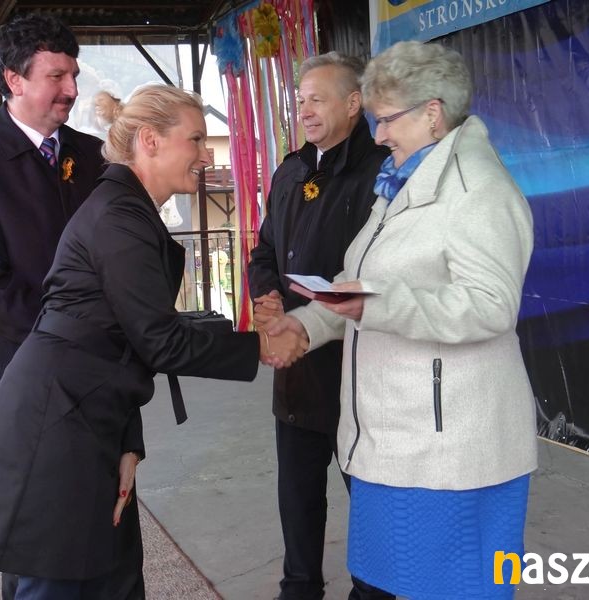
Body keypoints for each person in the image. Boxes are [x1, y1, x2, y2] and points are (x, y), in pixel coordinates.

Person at [0, 84, 306, 600]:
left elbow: (130, 336)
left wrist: (128, 440)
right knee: (64, 582)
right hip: (58, 428)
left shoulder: (127, 210)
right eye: (196, 139)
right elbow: (158, 340)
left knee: (111, 578)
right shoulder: (118, 215)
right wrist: (261, 346)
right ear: (150, 140)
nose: (206, 155)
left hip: (89, 417)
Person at [270, 41, 538, 599]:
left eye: (388, 119)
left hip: (449, 452)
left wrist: (376, 306)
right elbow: (360, 284)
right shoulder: (403, 182)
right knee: (390, 583)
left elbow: (490, 305)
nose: (379, 135)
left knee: (455, 588)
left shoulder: (477, 190)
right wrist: (308, 324)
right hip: (394, 443)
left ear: (432, 112)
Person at [248, 52, 393, 600]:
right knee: (298, 493)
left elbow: (382, 270)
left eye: (318, 99)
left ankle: (373, 592)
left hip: (361, 364)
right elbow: (264, 249)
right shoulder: (291, 170)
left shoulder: (382, 173)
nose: (305, 110)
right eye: (301, 99)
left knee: (371, 497)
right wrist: (266, 297)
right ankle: (299, 588)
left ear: (354, 104)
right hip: (295, 359)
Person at [0, 13, 106, 443]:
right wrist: (78, 332)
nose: (72, 90)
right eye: (57, 76)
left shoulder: (96, 156)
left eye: (74, 75)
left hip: (100, 371)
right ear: (15, 80)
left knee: (106, 480)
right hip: (17, 370)